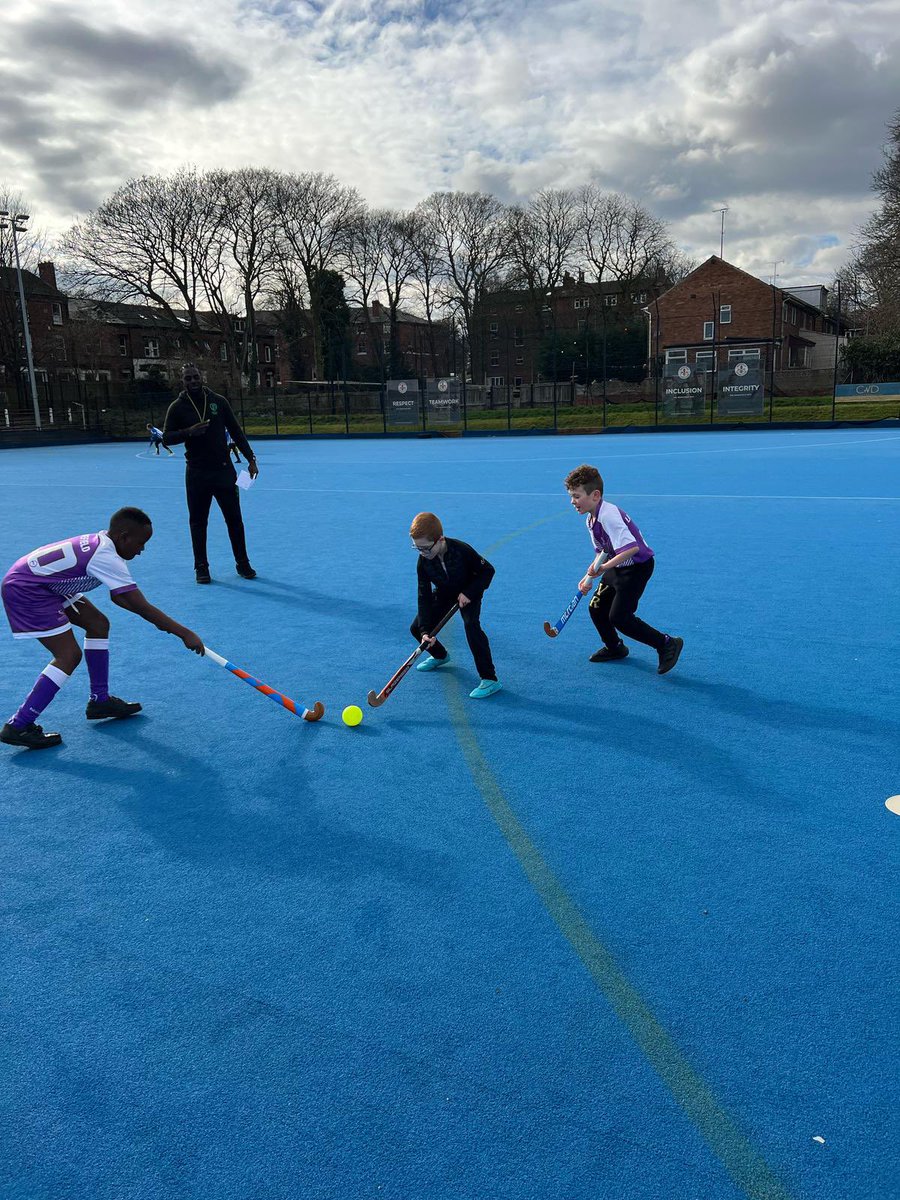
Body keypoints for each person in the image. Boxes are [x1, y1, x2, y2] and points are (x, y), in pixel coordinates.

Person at [1, 507, 204, 750]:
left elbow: (121, 598)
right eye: (141, 543)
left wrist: (163, 624)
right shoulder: (106, 556)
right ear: (123, 536)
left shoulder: (102, 543)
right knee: (68, 655)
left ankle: (100, 700)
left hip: (46, 585)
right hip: (28, 590)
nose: (142, 550)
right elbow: (139, 605)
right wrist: (185, 633)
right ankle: (19, 725)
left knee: (98, 624)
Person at [564, 464, 683, 674]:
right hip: (617, 565)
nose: (572, 501)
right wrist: (587, 578)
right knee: (596, 608)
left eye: (576, 496)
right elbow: (602, 552)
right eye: (571, 496)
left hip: (636, 567)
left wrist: (604, 568)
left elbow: (631, 549)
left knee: (620, 617)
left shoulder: (608, 515)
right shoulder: (591, 520)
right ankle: (615, 648)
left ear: (595, 495)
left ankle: (666, 643)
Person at [162, 364, 259, 584]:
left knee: (235, 520)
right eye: (188, 378)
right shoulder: (177, 407)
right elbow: (166, 438)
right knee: (198, 522)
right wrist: (188, 432)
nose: (193, 381)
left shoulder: (219, 402)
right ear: (183, 381)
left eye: (196, 376)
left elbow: (236, 431)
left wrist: (251, 459)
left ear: (202, 377)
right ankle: (201, 568)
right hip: (196, 473)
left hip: (224, 470)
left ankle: (243, 563)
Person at [409, 512, 501, 699]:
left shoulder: (461, 550)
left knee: (471, 626)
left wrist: (469, 592)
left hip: (469, 591)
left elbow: (487, 571)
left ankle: (490, 679)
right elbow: (424, 596)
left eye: (425, 548)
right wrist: (426, 631)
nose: (422, 554)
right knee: (416, 628)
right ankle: (440, 655)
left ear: (440, 539)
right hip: (445, 593)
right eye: (417, 548)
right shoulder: (423, 563)